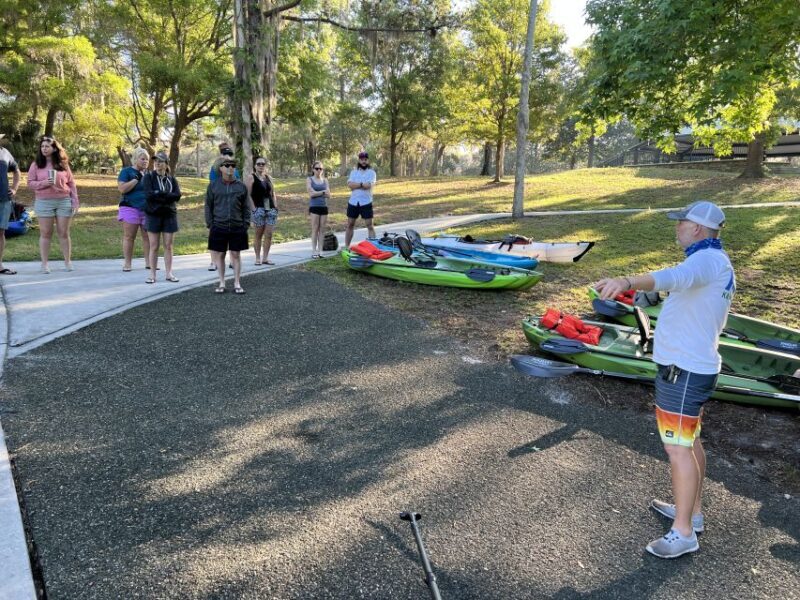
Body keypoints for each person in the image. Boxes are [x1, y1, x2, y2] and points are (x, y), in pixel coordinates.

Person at [595, 200, 734, 559]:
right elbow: (681, 287)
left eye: (682, 223)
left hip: (684, 370)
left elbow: (673, 276)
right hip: (690, 367)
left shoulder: (705, 261)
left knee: (678, 449)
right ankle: (693, 513)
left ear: (699, 229)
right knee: (690, 441)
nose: (677, 228)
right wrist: (654, 294)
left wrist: (626, 280)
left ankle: (684, 532)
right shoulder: (712, 259)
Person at [26, 136, 79, 273]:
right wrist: (44, 183)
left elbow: (71, 183)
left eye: (47, 146)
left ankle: (68, 262)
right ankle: (45, 264)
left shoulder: (63, 164)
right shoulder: (36, 164)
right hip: (44, 202)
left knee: (64, 233)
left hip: (63, 201)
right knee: (46, 233)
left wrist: (75, 201)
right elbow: (30, 183)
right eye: (42, 146)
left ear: (54, 148)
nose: (44, 148)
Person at [205, 156, 250, 294]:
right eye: (227, 165)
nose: (231, 167)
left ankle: (237, 282)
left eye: (233, 165)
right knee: (220, 255)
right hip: (218, 225)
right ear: (220, 168)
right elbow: (208, 206)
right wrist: (210, 224)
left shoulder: (241, 186)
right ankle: (222, 282)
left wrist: (245, 224)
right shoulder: (213, 186)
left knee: (236, 254)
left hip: (237, 226)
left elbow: (246, 207)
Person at [143, 152, 182, 284]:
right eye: (156, 161)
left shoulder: (172, 180)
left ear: (166, 164)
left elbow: (177, 196)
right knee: (154, 246)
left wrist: (159, 194)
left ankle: (169, 273)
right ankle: (152, 275)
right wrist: (165, 195)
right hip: (153, 215)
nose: (157, 163)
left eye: (160, 161)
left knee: (168, 245)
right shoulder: (149, 177)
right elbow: (149, 195)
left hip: (169, 215)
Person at [117, 148, 152, 271]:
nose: (145, 161)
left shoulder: (149, 175)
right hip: (130, 207)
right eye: (143, 159)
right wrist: (136, 179)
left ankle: (149, 263)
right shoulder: (127, 172)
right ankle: (127, 263)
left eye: (147, 159)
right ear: (135, 159)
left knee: (148, 237)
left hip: (146, 209)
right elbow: (122, 189)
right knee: (129, 236)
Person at [208, 142, 240, 270]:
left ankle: (233, 260)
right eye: (225, 154)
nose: (227, 156)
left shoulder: (235, 170)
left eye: (229, 155)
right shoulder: (215, 169)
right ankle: (213, 262)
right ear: (221, 156)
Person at [247, 157, 278, 265]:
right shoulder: (251, 177)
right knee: (258, 234)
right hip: (259, 209)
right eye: (259, 164)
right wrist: (254, 209)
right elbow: (248, 195)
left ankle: (265, 258)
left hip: (270, 209)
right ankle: (257, 258)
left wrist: (275, 207)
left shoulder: (268, 178)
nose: (261, 166)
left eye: (263, 164)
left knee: (269, 234)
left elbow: (273, 193)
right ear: (255, 165)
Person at [344, 151, 376, 247]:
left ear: (368, 160)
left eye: (365, 160)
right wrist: (362, 184)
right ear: (359, 160)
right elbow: (350, 185)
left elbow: (368, 186)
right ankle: (346, 247)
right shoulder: (353, 172)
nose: (363, 162)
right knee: (350, 225)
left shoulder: (372, 173)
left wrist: (357, 185)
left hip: (366, 202)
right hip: (353, 202)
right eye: (362, 160)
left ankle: (373, 248)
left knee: (369, 225)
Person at [0, 135, 20, 275]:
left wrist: (14, 188)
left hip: (4, 199)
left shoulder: (5, 153)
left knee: (0, 233)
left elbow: (16, 171)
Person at [307, 160, 330, 259]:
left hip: (324, 207)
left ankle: (320, 250)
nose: (319, 170)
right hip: (314, 207)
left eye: (320, 168)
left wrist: (318, 192)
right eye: (317, 168)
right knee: (315, 228)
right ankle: (314, 250)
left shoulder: (325, 181)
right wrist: (323, 192)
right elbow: (311, 194)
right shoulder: (309, 179)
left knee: (322, 229)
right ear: (313, 169)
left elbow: (329, 195)